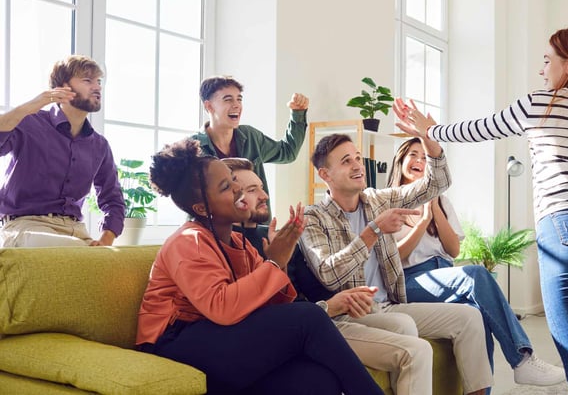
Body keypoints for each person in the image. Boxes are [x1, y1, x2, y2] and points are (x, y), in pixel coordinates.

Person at [393, 25, 568, 395]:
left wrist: (432, 131)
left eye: (547, 61)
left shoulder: (542, 103)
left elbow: (482, 128)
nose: (543, 70)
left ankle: (528, 364)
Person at [136, 139, 383, 395]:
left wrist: (281, 260)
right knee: (309, 317)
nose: (238, 189)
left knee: (319, 381)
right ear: (201, 208)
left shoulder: (238, 242)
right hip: (174, 341)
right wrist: (273, 263)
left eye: (233, 179)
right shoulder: (188, 241)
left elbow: (276, 303)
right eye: (225, 187)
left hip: (221, 336)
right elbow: (222, 307)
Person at [224, 156, 437, 395]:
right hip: (302, 328)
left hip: (319, 316)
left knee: (402, 324)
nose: (264, 195)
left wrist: (344, 299)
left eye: (261, 187)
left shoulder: (277, 233)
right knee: (416, 350)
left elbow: (312, 287)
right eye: (253, 190)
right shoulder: (227, 244)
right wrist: (326, 303)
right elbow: (269, 314)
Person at [300, 133, 494, 395]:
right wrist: (373, 231)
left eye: (358, 157)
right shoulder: (313, 217)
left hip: (389, 305)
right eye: (346, 161)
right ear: (325, 174)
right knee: (406, 329)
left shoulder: (378, 199)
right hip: (351, 315)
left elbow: (437, 183)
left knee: (470, 318)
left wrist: (429, 140)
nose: (358, 165)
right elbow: (329, 274)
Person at [388, 137, 565, 387]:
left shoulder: (442, 202)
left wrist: (435, 208)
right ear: (401, 161)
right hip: (411, 280)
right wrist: (422, 221)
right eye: (413, 155)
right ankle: (522, 359)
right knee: (476, 274)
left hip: (444, 275)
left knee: (479, 318)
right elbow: (395, 257)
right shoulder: (387, 202)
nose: (420, 161)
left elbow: (453, 249)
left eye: (425, 158)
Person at [0, 55, 125, 247]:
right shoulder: (28, 122)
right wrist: (34, 104)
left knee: (110, 263)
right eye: (87, 80)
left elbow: (113, 199)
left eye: (99, 81)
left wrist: (105, 242)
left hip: (76, 231)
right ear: (62, 87)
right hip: (26, 226)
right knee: (74, 251)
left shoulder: (99, 145)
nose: (97, 87)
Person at [192, 75, 309, 221]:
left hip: (254, 229)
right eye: (228, 99)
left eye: (239, 99)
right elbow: (190, 199)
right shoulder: (193, 148)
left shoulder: (250, 136)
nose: (236, 105)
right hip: (215, 233)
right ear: (208, 106)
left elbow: (287, 152)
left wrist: (297, 114)